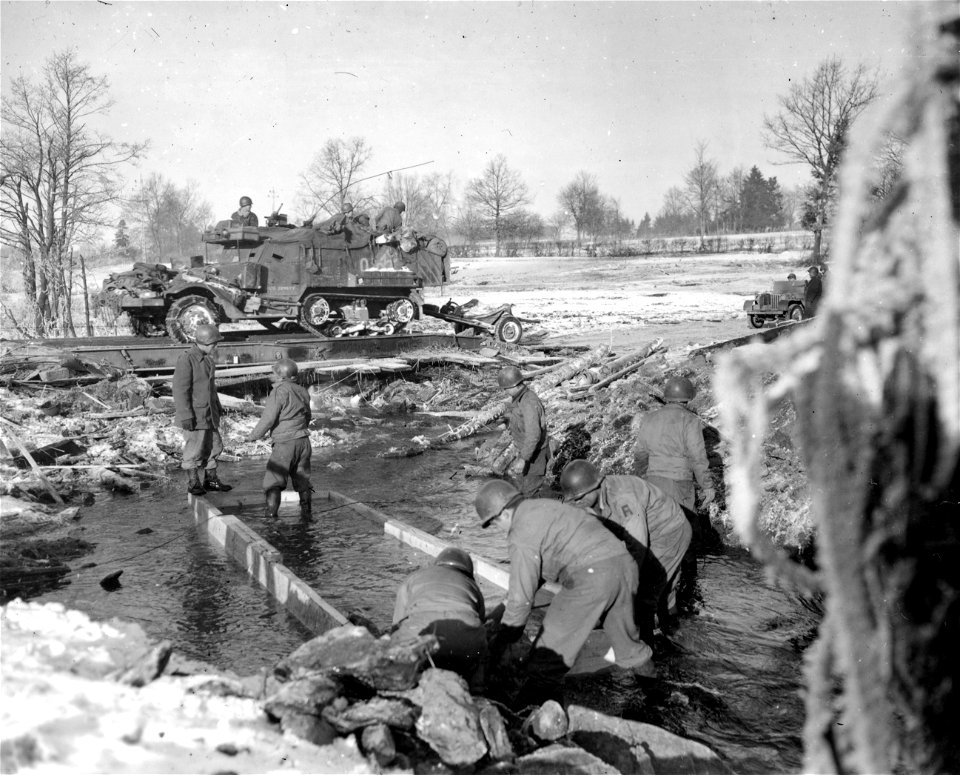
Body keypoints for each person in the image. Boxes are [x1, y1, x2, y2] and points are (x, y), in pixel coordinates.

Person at [475, 480, 654, 706]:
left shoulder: (520, 531)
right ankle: (661, 701)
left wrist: (502, 639)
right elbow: (534, 579)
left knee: (545, 660)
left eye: (493, 524)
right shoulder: (548, 507)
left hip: (591, 577)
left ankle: (528, 722)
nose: (498, 529)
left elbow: (521, 600)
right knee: (630, 648)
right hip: (625, 567)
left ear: (503, 514)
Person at [560, 459, 692, 640]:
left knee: (645, 596)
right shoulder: (590, 497)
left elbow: (638, 547)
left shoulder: (623, 498)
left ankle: (647, 649)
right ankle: (671, 626)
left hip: (668, 534)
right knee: (662, 588)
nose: (577, 503)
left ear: (595, 486)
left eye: (579, 498)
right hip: (649, 532)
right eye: (573, 500)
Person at [392, 547, 487, 691]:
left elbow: (396, 624)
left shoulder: (414, 577)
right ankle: (475, 694)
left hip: (420, 637)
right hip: (466, 644)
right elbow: (480, 622)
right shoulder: (473, 586)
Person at [246, 358, 313, 518]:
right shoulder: (303, 391)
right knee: (303, 480)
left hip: (285, 443)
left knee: (274, 480)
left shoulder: (278, 391)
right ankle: (307, 515)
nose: (272, 376)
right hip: (303, 441)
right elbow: (308, 416)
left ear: (281, 376)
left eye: (273, 373)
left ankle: (271, 517)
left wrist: (253, 437)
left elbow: (268, 419)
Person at [173, 324, 232, 496]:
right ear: (206, 342)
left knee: (214, 446)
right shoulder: (187, 359)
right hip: (195, 415)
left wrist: (218, 407)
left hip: (209, 414)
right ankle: (193, 483)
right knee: (195, 449)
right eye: (214, 343)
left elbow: (210, 388)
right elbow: (180, 389)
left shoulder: (207, 359)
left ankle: (211, 480)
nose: (216, 347)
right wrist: (185, 415)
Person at [498, 365, 549, 498]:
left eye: (506, 389)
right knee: (524, 491)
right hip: (527, 452)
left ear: (514, 386)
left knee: (529, 495)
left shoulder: (528, 402)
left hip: (535, 455)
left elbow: (533, 435)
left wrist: (523, 459)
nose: (505, 392)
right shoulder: (520, 399)